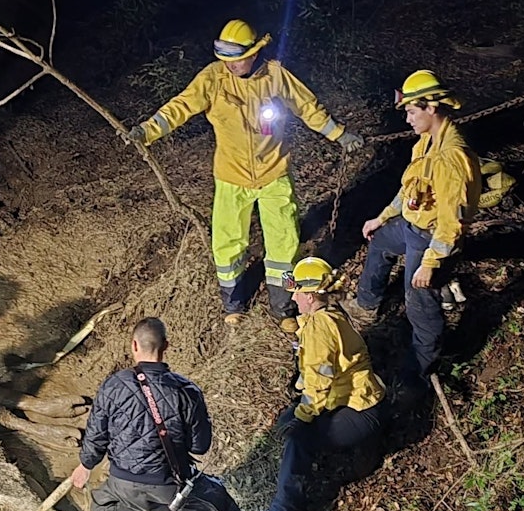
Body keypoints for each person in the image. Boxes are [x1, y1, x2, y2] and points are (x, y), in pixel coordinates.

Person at [127, 19, 365, 330]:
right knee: (227, 245)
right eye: (225, 60)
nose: (231, 66)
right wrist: (146, 131)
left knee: (283, 243)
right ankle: (233, 304)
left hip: (274, 173)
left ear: (255, 53)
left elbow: (307, 107)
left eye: (237, 59)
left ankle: (283, 309)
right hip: (230, 176)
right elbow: (180, 107)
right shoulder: (213, 78)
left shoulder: (275, 76)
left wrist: (341, 135)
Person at [72, 318, 281, 511]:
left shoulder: (114, 385)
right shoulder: (186, 391)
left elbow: (96, 437)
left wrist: (84, 466)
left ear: (133, 346)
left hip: (121, 488)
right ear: (166, 347)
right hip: (171, 490)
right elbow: (201, 445)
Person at [348, 70, 481, 385]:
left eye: (411, 111)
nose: (407, 118)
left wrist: (430, 263)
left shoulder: (452, 158)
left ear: (431, 108)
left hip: (430, 240)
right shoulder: (425, 142)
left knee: (420, 307)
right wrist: (382, 217)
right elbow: (411, 189)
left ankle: (418, 372)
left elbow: (452, 220)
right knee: (380, 241)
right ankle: (367, 304)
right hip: (411, 226)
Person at [249, 258, 385, 511]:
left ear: (310, 296)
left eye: (297, 291)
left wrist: (303, 416)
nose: (293, 296)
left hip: (361, 409)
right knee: (288, 422)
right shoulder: (326, 316)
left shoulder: (319, 330)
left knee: (299, 440)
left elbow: (319, 383)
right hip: (347, 400)